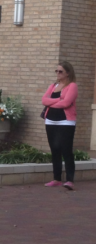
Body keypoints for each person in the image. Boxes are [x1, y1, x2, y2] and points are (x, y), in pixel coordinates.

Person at [41, 61, 78, 190]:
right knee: (55, 149)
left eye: (60, 71)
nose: (58, 73)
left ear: (68, 73)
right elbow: (44, 100)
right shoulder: (53, 85)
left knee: (66, 149)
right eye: (56, 71)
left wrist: (52, 103)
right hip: (50, 120)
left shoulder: (72, 86)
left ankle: (69, 180)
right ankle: (56, 179)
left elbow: (66, 103)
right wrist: (57, 100)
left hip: (66, 121)